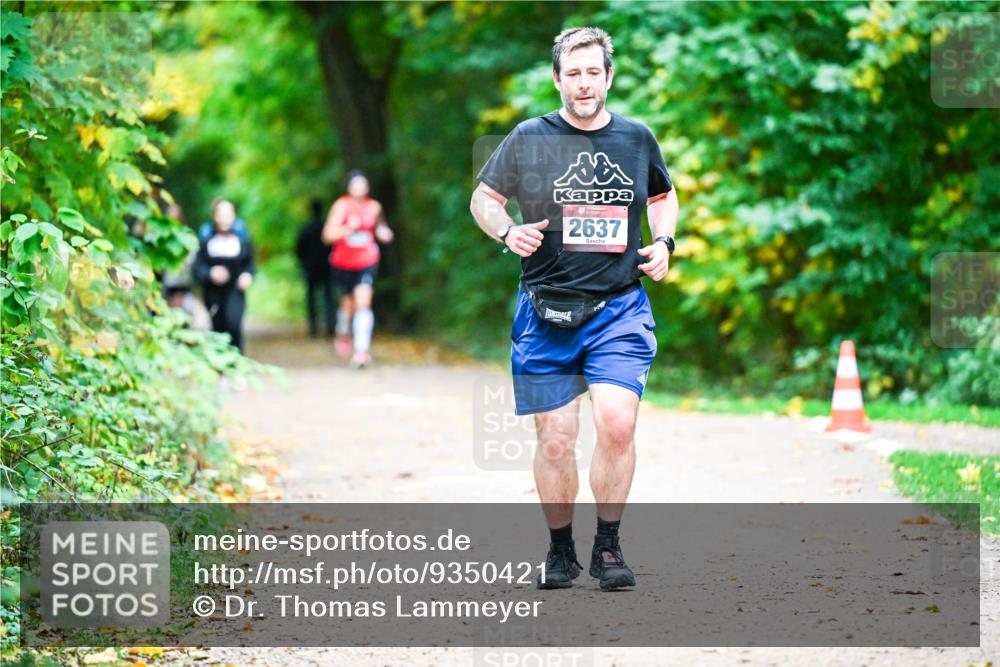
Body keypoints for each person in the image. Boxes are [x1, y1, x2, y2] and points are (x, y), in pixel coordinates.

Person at [469, 27, 679, 591]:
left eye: (593, 73)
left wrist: (664, 243)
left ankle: (607, 547)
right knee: (556, 438)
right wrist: (506, 231)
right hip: (547, 312)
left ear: (608, 77)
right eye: (573, 73)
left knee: (617, 422)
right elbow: (484, 198)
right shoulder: (529, 137)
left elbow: (663, 196)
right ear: (557, 79)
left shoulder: (636, 138)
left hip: (619, 308)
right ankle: (560, 549)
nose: (583, 83)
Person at [322, 170, 394, 368]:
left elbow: (379, 227)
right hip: (343, 262)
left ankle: (361, 351)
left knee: (364, 301)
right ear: (349, 187)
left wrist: (383, 232)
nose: (360, 188)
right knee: (348, 305)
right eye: (356, 184)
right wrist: (348, 229)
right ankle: (343, 332)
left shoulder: (374, 207)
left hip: (367, 261)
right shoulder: (341, 206)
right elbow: (327, 235)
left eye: (363, 184)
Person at [194, 198, 256, 352]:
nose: (224, 218)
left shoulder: (242, 238)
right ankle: (220, 361)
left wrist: (247, 275)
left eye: (228, 214)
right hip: (213, 293)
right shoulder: (206, 238)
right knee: (218, 328)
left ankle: (237, 358)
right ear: (214, 216)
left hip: (235, 291)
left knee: (234, 324)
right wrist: (210, 273)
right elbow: (197, 267)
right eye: (221, 214)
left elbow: (250, 264)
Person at [296, 199, 336, 338]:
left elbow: (299, 250)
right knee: (328, 297)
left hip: (311, 268)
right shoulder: (327, 228)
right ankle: (330, 325)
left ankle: (313, 328)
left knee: (311, 298)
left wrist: (304, 263)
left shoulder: (306, 229)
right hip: (327, 267)